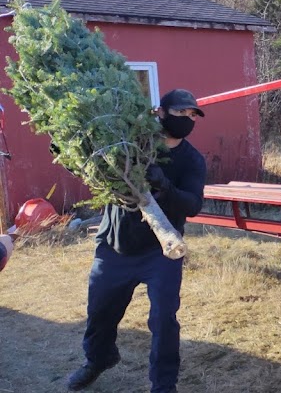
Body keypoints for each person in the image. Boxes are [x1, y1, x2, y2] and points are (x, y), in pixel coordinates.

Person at [67, 89, 207, 393]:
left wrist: (165, 185)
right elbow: (97, 168)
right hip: (115, 243)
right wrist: (71, 155)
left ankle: (163, 385)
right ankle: (98, 359)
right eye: (181, 112)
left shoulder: (192, 160)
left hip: (162, 252)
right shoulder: (130, 144)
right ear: (160, 112)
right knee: (100, 311)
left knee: (163, 319)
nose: (187, 119)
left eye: (192, 114)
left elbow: (193, 205)